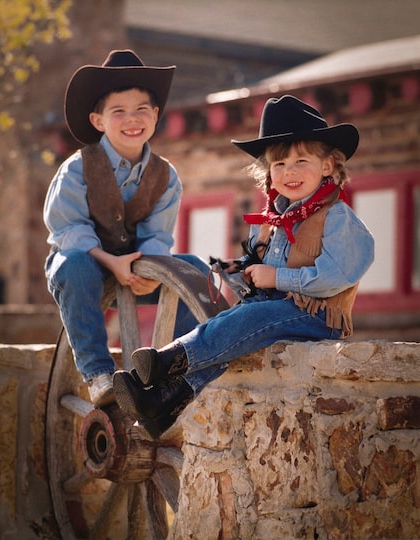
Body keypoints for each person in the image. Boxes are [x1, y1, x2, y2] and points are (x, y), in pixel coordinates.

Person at [113, 94, 375, 439]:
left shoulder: (337, 217)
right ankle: (165, 400)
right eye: (279, 165)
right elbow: (259, 268)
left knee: (251, 319)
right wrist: (241, 272)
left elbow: (335, 277)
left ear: (327, 166)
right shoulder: (269, 220)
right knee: (233, 324)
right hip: (275, 306)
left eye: (301, 162)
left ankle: (168, 360)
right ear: (268, 172)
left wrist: (277, 276)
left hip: (317, 315)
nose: (289, 172)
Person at [43, 49, 208, 407]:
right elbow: (67, 229)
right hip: (84, 267)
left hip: (135, 270)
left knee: (193, 269)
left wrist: (150, 267)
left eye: (141, 110)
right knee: (72, 264)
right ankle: (98, 374)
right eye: (119, 112)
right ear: (98, 120)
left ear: (155, 116)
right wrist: (110, 262)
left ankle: (177, 368)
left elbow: (156, 235)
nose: (132, 120)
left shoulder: (165, 176)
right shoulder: (76, 169)